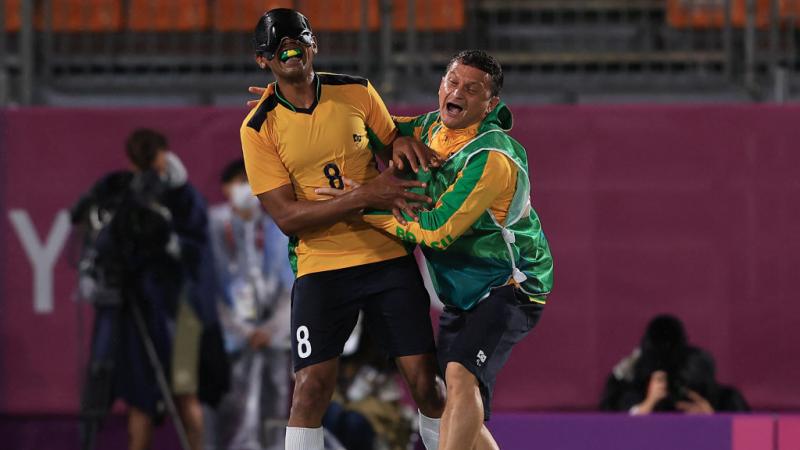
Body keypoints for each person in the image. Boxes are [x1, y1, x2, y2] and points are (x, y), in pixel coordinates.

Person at [316, 50, 554, 450]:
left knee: (461, 377)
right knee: (459, 402)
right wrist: (305, 87)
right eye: (451, 81)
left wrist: (360, 202)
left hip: (511, 284)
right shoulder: (426, 129)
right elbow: (375, 122)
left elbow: (438, 230)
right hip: (461, 294)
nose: (456, 91)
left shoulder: (491, 157)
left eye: (471, 88)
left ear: (489, 103)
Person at [239, 9, 445, 450]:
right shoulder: (258, 127)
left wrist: (402, 144)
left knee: (428, 384)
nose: (290, 53)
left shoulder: (356, 91)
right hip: (322, 266)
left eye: (298, 43)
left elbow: (394, 142)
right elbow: (286, 217)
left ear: (314, 45)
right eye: (278, 48)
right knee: (311, 389)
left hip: (386, 255)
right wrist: (362, 196)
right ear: (263, 61)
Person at [72, 129, 227, 450]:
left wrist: (169, 240)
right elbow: (105, 242)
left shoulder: (183, 196)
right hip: (138, 310)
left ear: (165, 155)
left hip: (180, 315)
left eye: (153, 162)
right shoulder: (122, 195)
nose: (150, 171)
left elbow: (197, 250)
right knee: (141, 404)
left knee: (185, 396)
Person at [206, 159, 294, 450]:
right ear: (226, 187)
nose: (247, 188)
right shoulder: (215, 226)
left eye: (251, 180)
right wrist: (242, 331)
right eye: (239, 181)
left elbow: (289, 288)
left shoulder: (278, 228)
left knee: (275, 411)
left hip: (273, 339)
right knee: (234, 414)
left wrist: (270, 330)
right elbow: (213, 288)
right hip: (232, 340)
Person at [599, 314, 749, 415]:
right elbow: (612, 434)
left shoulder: (718, 397)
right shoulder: (628, 391)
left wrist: (714, 421)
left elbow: (753, 441)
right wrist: (645, 407)